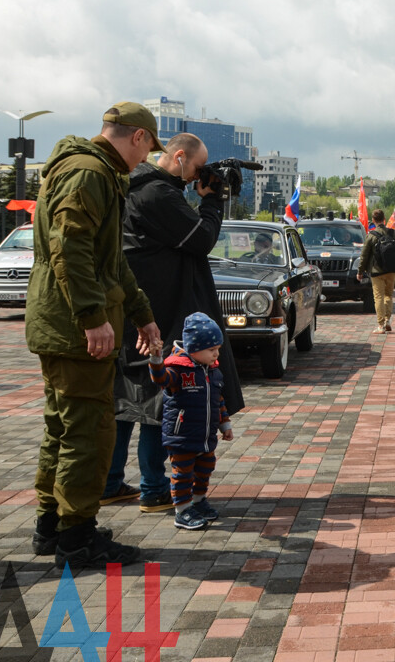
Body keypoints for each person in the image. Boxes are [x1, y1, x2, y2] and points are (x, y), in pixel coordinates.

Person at [26, 101, 163, 568]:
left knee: (62, 427)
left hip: (61, 324)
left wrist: (142, 314)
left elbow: (111, 260)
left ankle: (54, 525)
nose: (144, 161)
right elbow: (70, 248)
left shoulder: (93, 171)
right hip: (72, 327)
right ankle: (76, 538)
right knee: (89, 430)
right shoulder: (90, 174)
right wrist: (91, 317)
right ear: (138, 137)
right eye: (146, 150)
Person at [104, 132, 244, 515]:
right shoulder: (157, 195)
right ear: (179, 156)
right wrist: (212, 201)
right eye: (197, 167)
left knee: (126, 401)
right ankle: (153, 488)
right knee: (155, 403)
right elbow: (201, 239)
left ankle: (110, 482)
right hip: (160, 312)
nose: (198, 176)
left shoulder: (141, 188)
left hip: (142, 306)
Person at [151, 312, 233, 531]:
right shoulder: (177, 370)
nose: (216, 354)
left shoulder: (212, 371)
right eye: (211, 350)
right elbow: (161, 379)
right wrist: (156, 359)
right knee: (183, 473)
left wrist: (225, 423)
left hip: (205, 436)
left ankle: (198, 501)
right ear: (194, 348)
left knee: (205, 468)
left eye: (218, 349)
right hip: (181, 435)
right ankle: (182, 510)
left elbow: (218, 400)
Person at [357, 208, 395, 333]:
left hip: (376, 271)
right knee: (389, 295)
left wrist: (360, 271)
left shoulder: (371, 235)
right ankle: (388, 320)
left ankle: (380, 325)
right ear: (384, 219)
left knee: (378, 297)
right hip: (392, 270)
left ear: (373, 220)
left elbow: (364, 255)